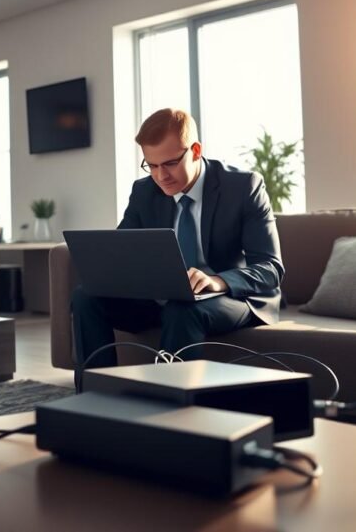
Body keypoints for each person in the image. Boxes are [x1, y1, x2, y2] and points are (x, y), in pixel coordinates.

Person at [71, 108, 283, 370]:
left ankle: (170, 406)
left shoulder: (243, 187)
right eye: (152, 166)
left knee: (182, 310)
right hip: (163, 298)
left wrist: (217, 281)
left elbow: (270, 269)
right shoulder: (144, 191)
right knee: (86, 297)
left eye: (170, 163)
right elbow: (122, 252)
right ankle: (94, 396)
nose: (161, 176)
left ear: (195, 151)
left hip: (230, 299)